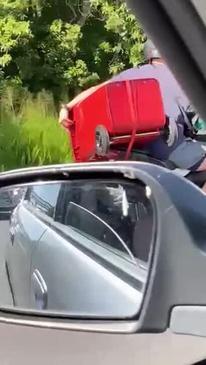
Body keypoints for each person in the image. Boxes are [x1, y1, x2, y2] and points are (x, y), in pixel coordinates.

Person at [112, 38, 206, 192]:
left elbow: (96, 90)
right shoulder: (179, 78)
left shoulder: (130, 74)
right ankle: (198, 211)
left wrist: (65, 108)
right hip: (173, 148)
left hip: (141, 148)